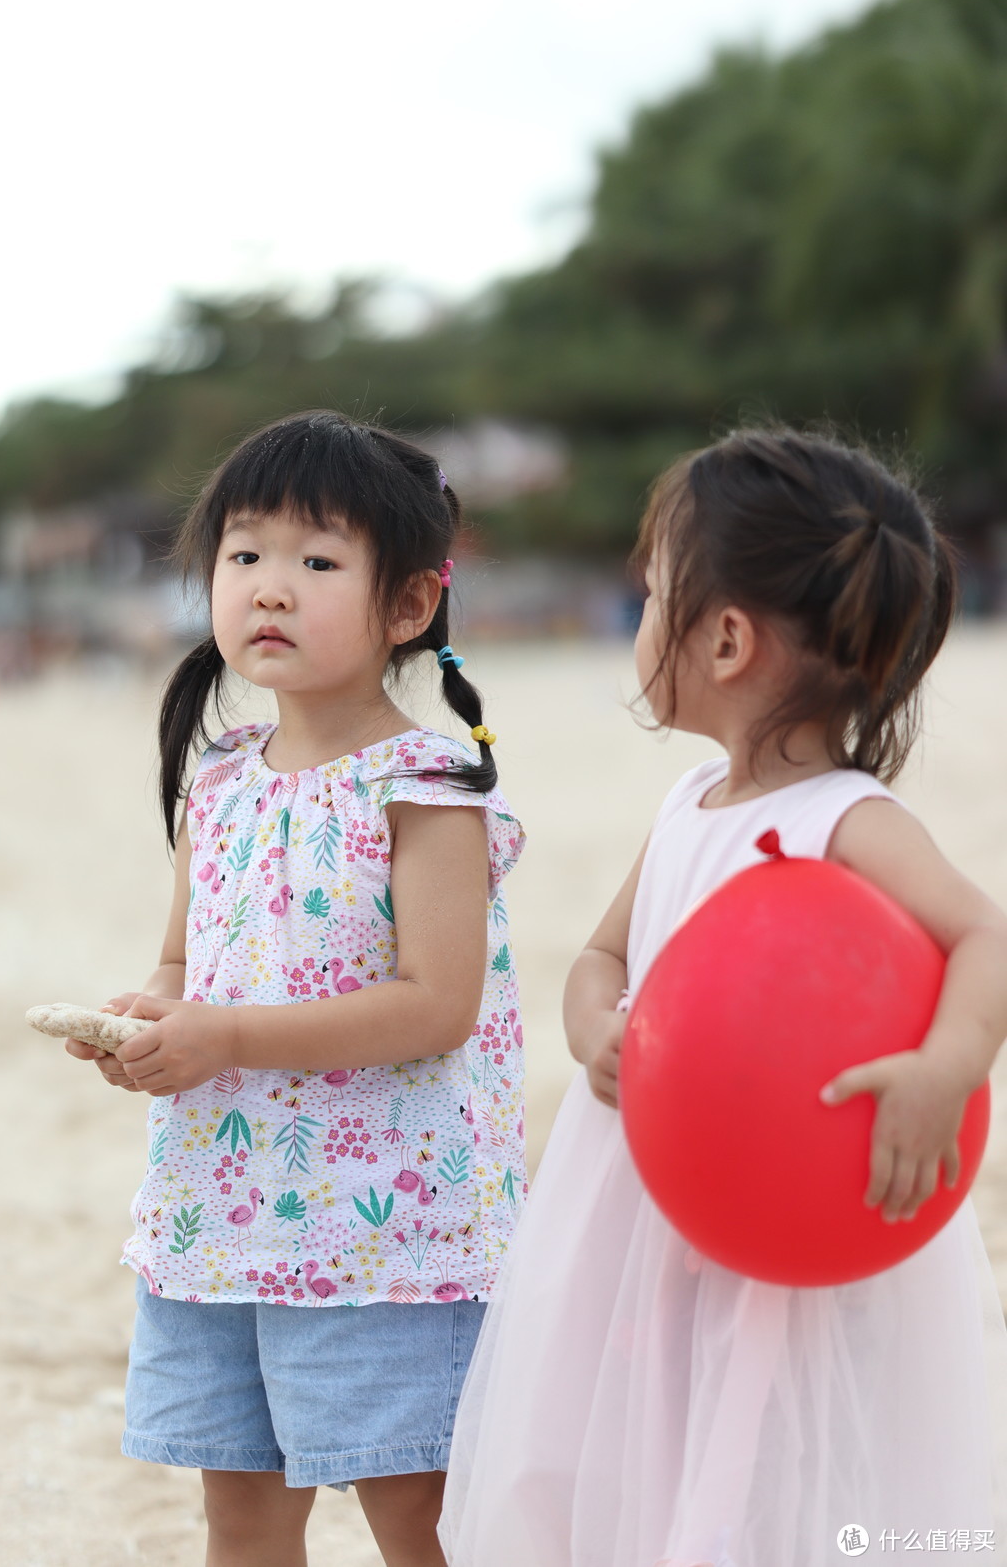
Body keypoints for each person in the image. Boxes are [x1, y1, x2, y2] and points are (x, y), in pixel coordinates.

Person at [439, 430, 1007, 1567]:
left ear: (728, 638)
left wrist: (945, 1070)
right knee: (648, 1428)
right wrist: (600, 1031)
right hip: (653, 1193)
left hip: (798, 1209)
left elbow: (987, 934)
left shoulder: (847, 819)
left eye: (653, 592)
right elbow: (601, 959)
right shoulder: (690, 803)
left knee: (782, 1454)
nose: (639, 616)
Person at [65, 411, 526, 1567]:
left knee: (416, 1514)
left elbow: (438, 1004)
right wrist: (152, 1025)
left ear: (409, 606)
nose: (270, 588)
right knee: (243, 1516)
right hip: (222, 1211)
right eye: (244, 554)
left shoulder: (424, 791)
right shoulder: (216, 784)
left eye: (317, 562)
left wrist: (227, 1037)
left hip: (384, 1227)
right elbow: (187, 968)